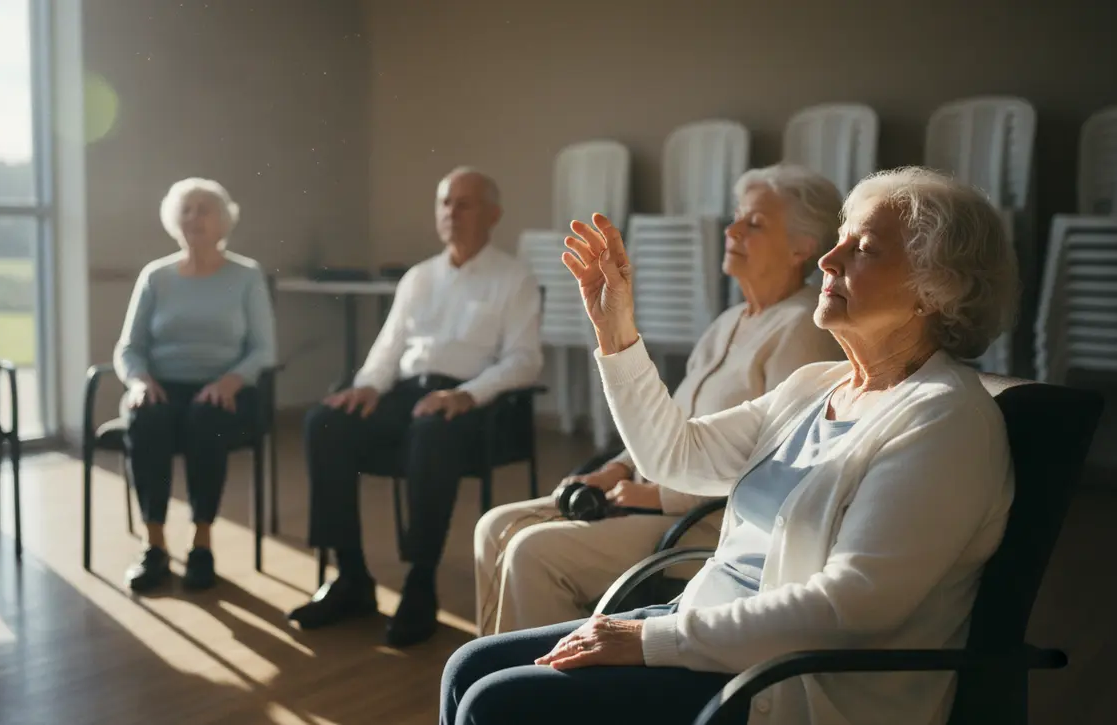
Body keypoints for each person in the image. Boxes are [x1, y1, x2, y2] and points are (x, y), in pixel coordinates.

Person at [441, 166, 1020, 725]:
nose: (828, 259)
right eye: (839, 239)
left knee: (496, 704)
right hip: (711, 630)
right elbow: (675, 456)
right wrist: (614, 332)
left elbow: (848, 608)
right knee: (467, 666)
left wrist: (649, 638)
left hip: (788, 684)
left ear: (934, 291)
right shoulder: (815, 387)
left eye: (863, 248)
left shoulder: (945, 421)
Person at [474, 165, 845, 635]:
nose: (730, 230)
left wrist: (655, 496)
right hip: (646, 493)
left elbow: (776, 465)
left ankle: (535, 696)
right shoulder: (730, 320)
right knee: (494, 526)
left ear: (803, 248)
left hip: (701, 524)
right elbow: (672, 420)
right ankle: (491, 683)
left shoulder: (802, 330)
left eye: (754, 223)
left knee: (532, 552)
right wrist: (618, 467)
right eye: (736, 217)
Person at [289, 166, 543, 648]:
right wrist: (366, 386)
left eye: (464, 203)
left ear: (494, 214)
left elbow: (524, 360)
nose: (451, 212)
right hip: (406, 393)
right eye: (445, 202)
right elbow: (387, 350)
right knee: (325, 422)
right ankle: (351, 577)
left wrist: (467, 394)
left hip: (473, 403)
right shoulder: (419, 277)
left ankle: (420, 582)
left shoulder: (515, 278)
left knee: (431, 431)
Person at [114, 178, 277, 593]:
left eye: (204, 209)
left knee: (206, 418)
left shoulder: (246, 275)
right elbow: (129, 348)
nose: (194, 217)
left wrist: (230, 381)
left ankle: (202, 544)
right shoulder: (156, 276)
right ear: (174, 220)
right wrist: (139, 381)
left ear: (223, 221)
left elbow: (263, 349)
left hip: (227, 389)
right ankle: (155, 547)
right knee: (147, 418)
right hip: (163, 386)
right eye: (186, 209)